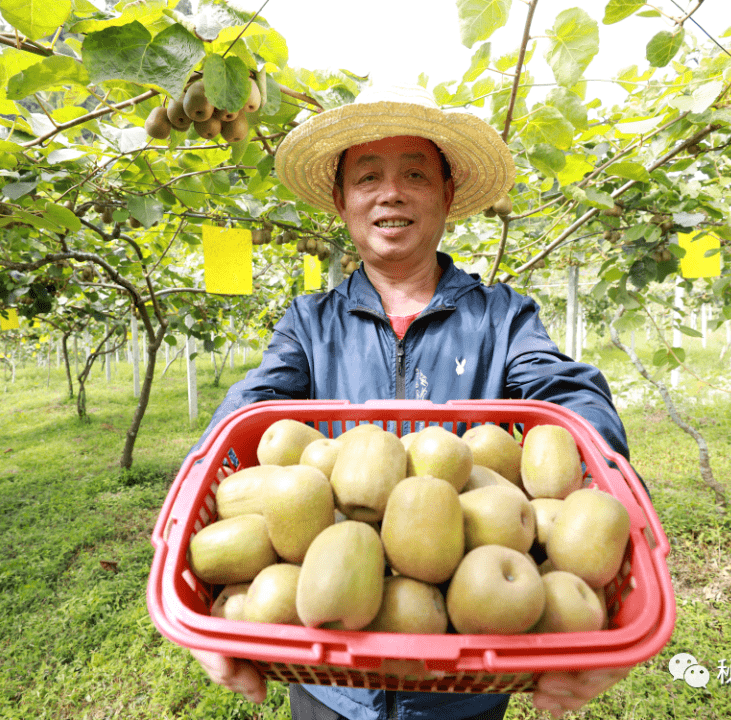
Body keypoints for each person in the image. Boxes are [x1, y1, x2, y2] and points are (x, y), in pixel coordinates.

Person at [188, 85, 634, 719]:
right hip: (327, 673)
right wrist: (189, 506)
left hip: (465, 665)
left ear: (446, 196)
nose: (389, 193)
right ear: (342, 202)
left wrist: (608, 490)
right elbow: (249, 407)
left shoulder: (503, 317)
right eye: (368, 176)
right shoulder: (309, 322)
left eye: (414, 175)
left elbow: (566, 394)